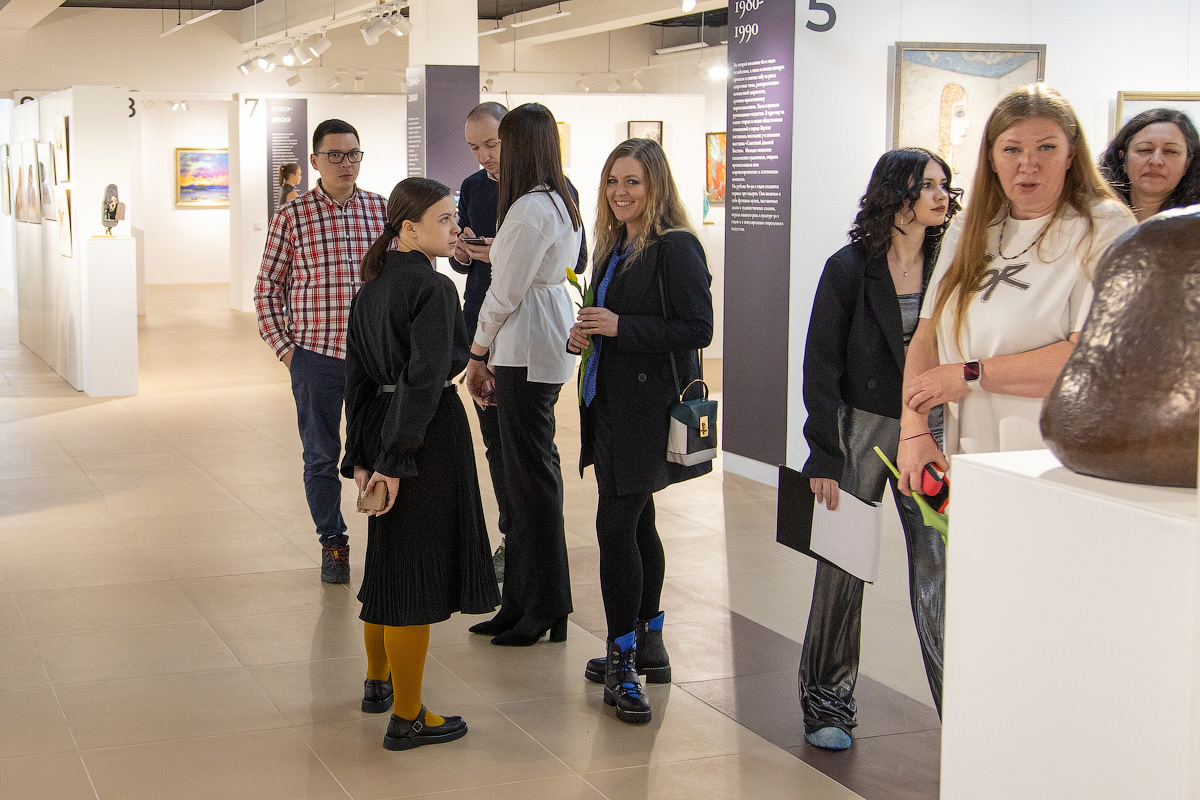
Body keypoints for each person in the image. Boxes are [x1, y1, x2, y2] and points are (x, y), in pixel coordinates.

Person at [796, 148, 961, 750]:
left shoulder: (955, 264)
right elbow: (821, 365)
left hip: (935, 428)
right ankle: (827, 701)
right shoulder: (849, 268)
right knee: (843, 565)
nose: (942, 196)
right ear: (896, 196)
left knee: (938, 562)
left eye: (946, 186)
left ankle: (961, 708)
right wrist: (824, 454)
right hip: (861, 428)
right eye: (929, 186)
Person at [898, 84, 1135, 497]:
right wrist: (914, 430)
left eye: (1046, 148)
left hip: (1057, 462)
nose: (1029, 165)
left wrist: (970, 375)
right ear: (991, 157)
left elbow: (1091, 360)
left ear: (1071, 154)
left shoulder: (1105, 226)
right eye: (1011, 150)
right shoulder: (970, 226)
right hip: (972, 455)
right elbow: (926, 336)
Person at [341, 177, 501, 752]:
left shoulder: (371, 285)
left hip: (388, 434)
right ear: (409, 230)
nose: (454, 229)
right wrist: (396, 461)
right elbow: (424, 380)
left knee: (386, 562)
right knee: (412, 575)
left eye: (454, 218)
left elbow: (357, 380)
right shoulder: (433, 290)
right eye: (444, 220)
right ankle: (407, 716)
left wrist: (362, 456)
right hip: (423, 441)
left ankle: (377, 684)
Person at [567, 138, 713, 724]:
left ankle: (623, 657)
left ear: (656, 185)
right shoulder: (617, 245)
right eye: (612, 182)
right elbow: (609, 323)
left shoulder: (674, 247)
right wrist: (588, 334)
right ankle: (649, 639)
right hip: (611, 405)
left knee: (615, 525)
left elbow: (697, 328)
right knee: (637, 519)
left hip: (645, 412)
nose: (621, 193)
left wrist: (621, 325)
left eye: (633, 182)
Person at [450, 102, 587, 584]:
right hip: (514, 334)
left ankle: (538, 582)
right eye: (475, 147)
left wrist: (477, 353)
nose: (485, 156)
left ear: (517, 142)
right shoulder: (526, 197)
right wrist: (471, 254)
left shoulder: (535, 204)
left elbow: (509, 287)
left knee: (530, 465)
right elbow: (498, 273)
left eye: (492, 143)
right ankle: (532, 574)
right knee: (515, 456)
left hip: (516, 338)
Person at [255, 119, 387, 584]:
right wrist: (287, 350)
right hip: (315, 357)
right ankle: (333, 541)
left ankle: (386, 538)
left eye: (353, 154)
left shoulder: (381, 211)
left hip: (373, 361)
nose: (345, 163)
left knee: (376, 450)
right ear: (314, 161)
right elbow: (268, 287)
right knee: (320, 455)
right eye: (335, 155)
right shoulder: (293, 216)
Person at [1098, 108, 1200, 221]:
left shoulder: (1195, 225)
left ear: (1187, 164)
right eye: (1144, 149)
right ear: (1123, 160)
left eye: (1171, 151)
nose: (1156, 161)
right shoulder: (1095, 218)